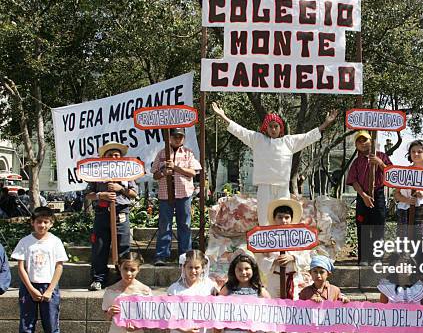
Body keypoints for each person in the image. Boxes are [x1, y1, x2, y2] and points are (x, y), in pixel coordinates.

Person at [211, 102, 337, 225]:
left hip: (282, 187)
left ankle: (282, 244)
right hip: (264, 186)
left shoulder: (288, 142)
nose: (273, 129)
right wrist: (222, 116)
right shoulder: (257, 139)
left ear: (280, 128)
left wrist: (325, 124)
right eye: (270, 126)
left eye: (276, 126)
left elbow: (308, 137)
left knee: (283, 219)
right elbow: (240, 131)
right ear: (266, 127)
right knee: (264, 219)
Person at [11, 206, 67, 333]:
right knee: (26, 324)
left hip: (49, 286)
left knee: (51, 324)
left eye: (45, 222)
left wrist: (50, 289)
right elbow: (21, 267)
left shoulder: (55, 242)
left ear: (51, 223)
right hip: (29, 286)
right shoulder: (25, 242)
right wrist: (30, 289)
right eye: (38, 222)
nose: (42, 225)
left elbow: (59, 266)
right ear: (32, 223)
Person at [256, 198, 311, 333]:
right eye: (280, 217)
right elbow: (259, 258)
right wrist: (273, 261)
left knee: (291, 316)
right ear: (275, 218)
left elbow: (307, 258)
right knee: (273, 315)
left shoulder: (299, 237)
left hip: (291, 280)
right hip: (273, 280)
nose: (284, 220)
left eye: (287, 217)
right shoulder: (266, 237)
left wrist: (292, 257)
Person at [212, 252, 279, 333]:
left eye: (247, 269)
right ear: (233, 271)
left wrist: (259, 326)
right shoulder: (227, 289)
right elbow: (217, 314)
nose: (243, 272)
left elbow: (271, 312)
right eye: (239, 269)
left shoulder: (259, 290)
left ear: (253, 270)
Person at [157, 250, 218, 333]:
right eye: (190, 267)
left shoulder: (209, 287)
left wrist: (216, 295)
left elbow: (216, 309)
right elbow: (167, 316)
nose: (193, 271)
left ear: (203, 268)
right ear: (183, 267)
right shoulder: (175, 289)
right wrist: (182, 329)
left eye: (197, 267)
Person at [84, 142, 139, 291]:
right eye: (110, 155)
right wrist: (100, 195)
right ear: (104, 157)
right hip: (102, 214)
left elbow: (134, 193)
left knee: (123, 246)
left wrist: (120, 188)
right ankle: (98, 278)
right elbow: (87, 194)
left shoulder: (128, 173)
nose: (114, 157)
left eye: (117, 155)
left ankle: (122, 277)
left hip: (121, 213)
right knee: (100, 246)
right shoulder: (96, 173)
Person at [151, 128, 202, 265]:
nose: (178, 139)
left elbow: (193, 172)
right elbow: (154, 174)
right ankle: (161, 256)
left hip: (184, 194)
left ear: (184, 138)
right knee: (164, 225)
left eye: (180, 136)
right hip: (165, 194)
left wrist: (175, 168)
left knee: (185, 225)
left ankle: (185, 256)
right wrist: (163, 172)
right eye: (175, 136)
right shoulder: (161, 154)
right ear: (170, 138)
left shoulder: (188, 154)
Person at [299, 255, 349, 333]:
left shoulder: (335, 290)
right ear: (310, 273)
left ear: (328, 274)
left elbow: (342, 310)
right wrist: (309, 303)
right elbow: (297, 311)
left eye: (322, 272)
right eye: (315, 271)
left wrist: (344, 301)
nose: (318, 275)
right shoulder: (305, 292)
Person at [346, 130, 393, 265]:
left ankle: (377, 257)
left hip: (378, 195)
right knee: (363, 226)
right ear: (356, 145)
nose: (362, 143)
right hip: (362, 196)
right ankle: (364, 258)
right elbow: (354, 181)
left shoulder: (382, 156)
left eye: (365, 140)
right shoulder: (356, 162)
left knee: (378, 226)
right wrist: (364, 196)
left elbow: (392, 174)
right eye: (359, 141)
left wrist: (379, 163)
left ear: (371, 141)